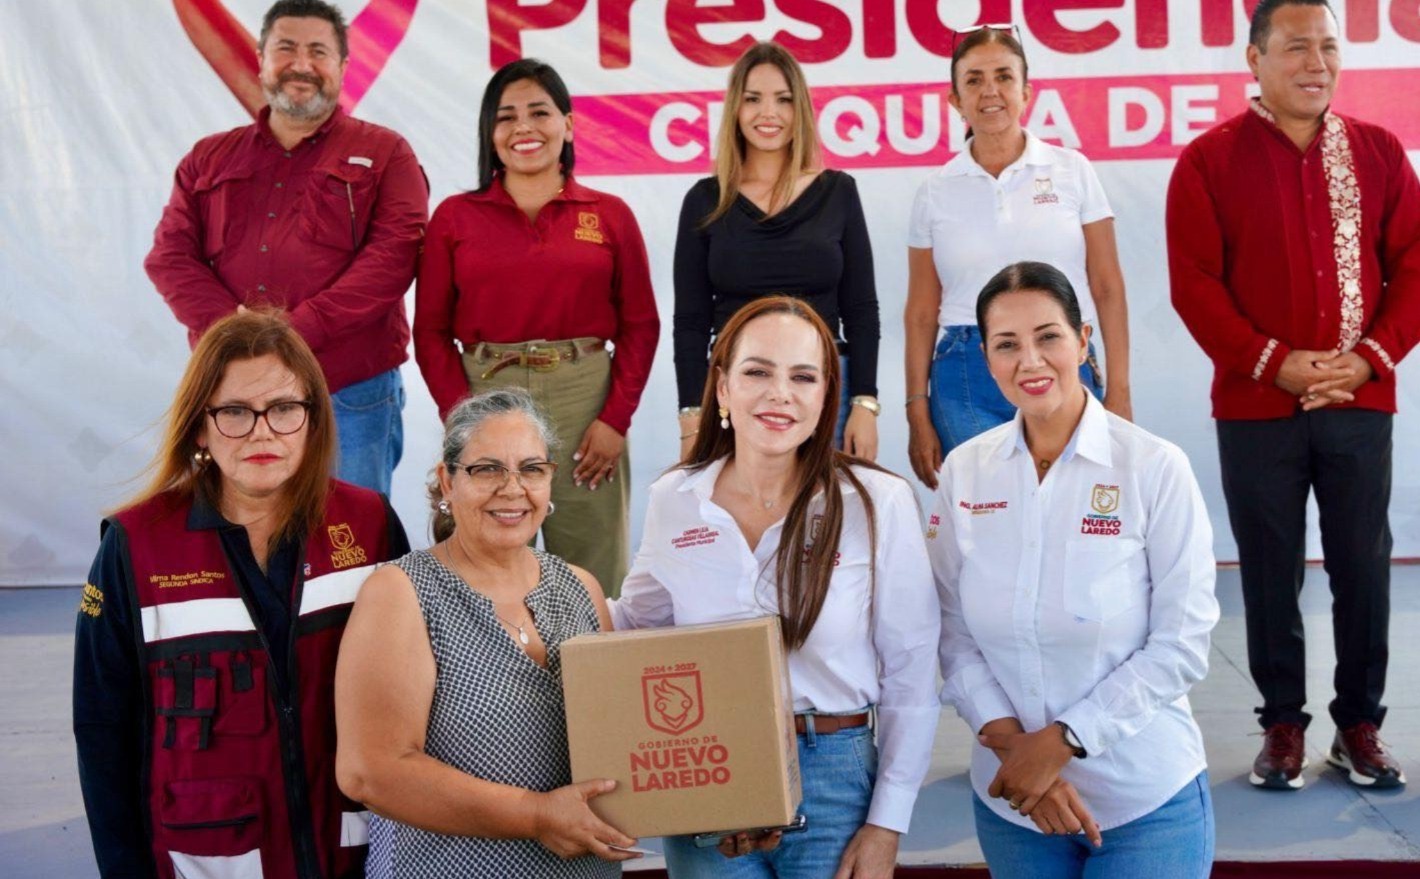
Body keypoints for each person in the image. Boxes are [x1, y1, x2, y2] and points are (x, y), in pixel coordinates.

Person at [1167, 0, 1419, 791]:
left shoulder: (1378, 153)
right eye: (1297, 47)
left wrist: (1366, 360)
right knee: (1270, 567)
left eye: (1329, 47)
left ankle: (1360, 723)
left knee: (1362, 564)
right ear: (1254, 59)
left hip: (1359, 399)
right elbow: (1195, 283)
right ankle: (1281, 723)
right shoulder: (1208, 160)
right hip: (1253, 404)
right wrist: (1273, 363)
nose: (1317, 62)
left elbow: (1414, 267)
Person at [72, 309, 410, 878]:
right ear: (200, 426)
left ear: (312, 419)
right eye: (235, 411)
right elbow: (103, 732)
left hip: (361, 856)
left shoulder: (371, 524)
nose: (262, 431)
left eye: (283, 409)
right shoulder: (135, 547)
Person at [614, 297, 940, 878]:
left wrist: (887, 823)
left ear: (825, 397)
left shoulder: (876, 503)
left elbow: (911, 672)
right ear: (721, 388)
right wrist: (531, 595)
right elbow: (636, 627)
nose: (779, 393)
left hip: (835, 777)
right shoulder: (676, 499)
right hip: (707, 767)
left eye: (803, 377)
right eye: (757, 371)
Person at [928, 262, 1219, 878]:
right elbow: (951, 632)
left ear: (1084, 339)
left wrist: (1060, 744)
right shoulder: (965, 471)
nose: (1030, 360)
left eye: (1048, 336)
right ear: (985, 356)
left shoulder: (1153, 467)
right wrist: (1019, 753)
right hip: (1014, 806)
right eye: (1007, 344)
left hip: (1145, 801)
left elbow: (1182, 643)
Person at [334, 389, 636, 878]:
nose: (512, 488)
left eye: (531, 469)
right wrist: (536, 817)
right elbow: (371, 772)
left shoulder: (583, 589)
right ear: (447, 482)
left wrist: (730, 809)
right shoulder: (401, 591)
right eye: (487, 469)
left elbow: (626, 748)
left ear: (550, 481)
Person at [145, 0, 429, 495]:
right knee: (241, 536)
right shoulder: (208, 158)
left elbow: (394, 257)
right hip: (233, 389)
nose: (301, 64)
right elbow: (169, 257)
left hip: (349, 391)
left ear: (342, 67)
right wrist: (235, 333)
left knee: (348, 545)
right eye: (286, 49)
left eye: (318, 52)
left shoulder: (387, 153)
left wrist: (293, 331)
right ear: (261, 60)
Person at [414, 58, 658, 597]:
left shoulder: (610, 214)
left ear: (568, 125)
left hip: (584, 406)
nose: (523, 127)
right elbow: (430, 333)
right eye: (506, 117)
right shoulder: (455, 217)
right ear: (490, 134)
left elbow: (641, 325)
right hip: (485, 396)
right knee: (481, 565)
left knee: (593, 574)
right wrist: (464, 423)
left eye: (539, 112)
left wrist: (615, 420)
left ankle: (597, 679)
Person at [904, 25, 1131, 490]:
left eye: (1004, 77)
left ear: (1026, 92)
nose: (990, 91)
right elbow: (922, 311)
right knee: (990, 517)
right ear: (954, 99)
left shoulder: (1072, 171)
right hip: (966, 370)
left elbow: (1107, 286)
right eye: (974, 80)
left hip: (1065, 361)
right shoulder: (934, 192)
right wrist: (916, 409)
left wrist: (1122, 392)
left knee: (1073, 505)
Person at [673, 41, 881, 462]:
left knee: (824, 521)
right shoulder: (705, 199)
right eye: (753, 99)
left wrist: (865, 403)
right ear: (735, 108)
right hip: (734, 393)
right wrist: (692, 414)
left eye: (783, 100)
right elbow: (690, 323)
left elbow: (860, 308)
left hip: (822, 389)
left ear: (800, 109)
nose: (768, 113)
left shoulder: (838, 192)